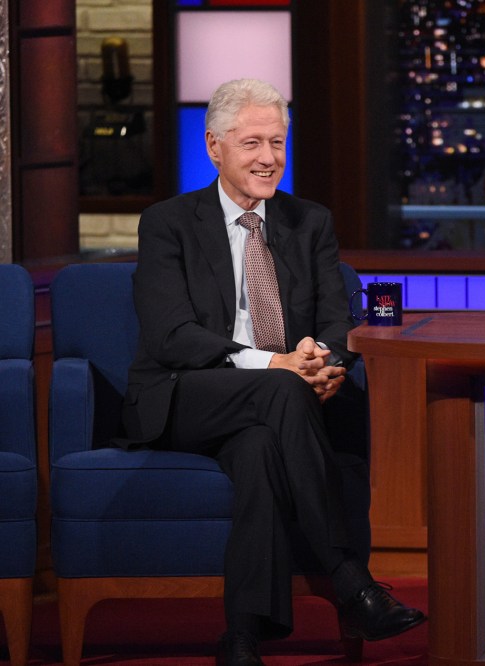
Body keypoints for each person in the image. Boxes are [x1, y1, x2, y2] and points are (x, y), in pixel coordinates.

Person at [120, 78, 425, 666]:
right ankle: (350, 582)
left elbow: (341, 324)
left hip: (279, 403)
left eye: (278, 144)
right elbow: (171, 337)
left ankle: (240, 637)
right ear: (214, 146)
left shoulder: (309, 222)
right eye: (253, 143)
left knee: (261, 450)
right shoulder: (168, 223)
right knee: (280, 390)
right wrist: (278, 365)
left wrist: (326, 364)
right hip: (186, 394)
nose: (269, 159)